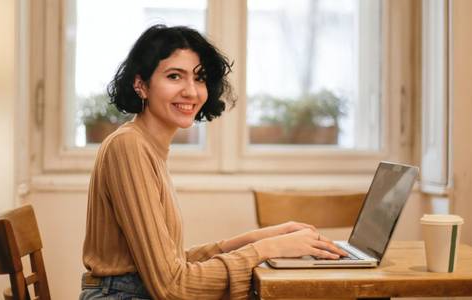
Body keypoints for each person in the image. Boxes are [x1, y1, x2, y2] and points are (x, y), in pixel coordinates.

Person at [80, 24, 347, 300]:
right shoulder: (129, 147)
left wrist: (263, 238)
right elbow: (172, 286)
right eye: (174, 76)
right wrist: (270, 250)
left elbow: (170, 265)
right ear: (141, 85)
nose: (191, 91)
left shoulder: (146, 146)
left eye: (199, 78)